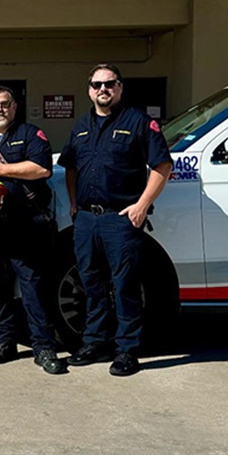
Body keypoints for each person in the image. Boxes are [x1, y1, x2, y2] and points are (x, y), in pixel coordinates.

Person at [57, 64, 172, 376]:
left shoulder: (138, 123)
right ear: (89, 89)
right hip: (86, 221)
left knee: (125, 286)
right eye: (96, 85)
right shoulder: (81, 127)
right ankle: (93, 343)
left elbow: (162, 166)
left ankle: (127, 350)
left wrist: (142, 205)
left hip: (119, 220)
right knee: (90, 283)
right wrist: (73, 205)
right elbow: (70, 166)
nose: (102, 90)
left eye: (109, 84)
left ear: (120, 87)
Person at [0, 86, 68, 374]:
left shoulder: (31, 135)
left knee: (34, 289)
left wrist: (0, 170)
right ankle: (3, 343)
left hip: (26, 227)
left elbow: (41, 169)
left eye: (4, 104)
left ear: (14, 107)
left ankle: (44, 348)